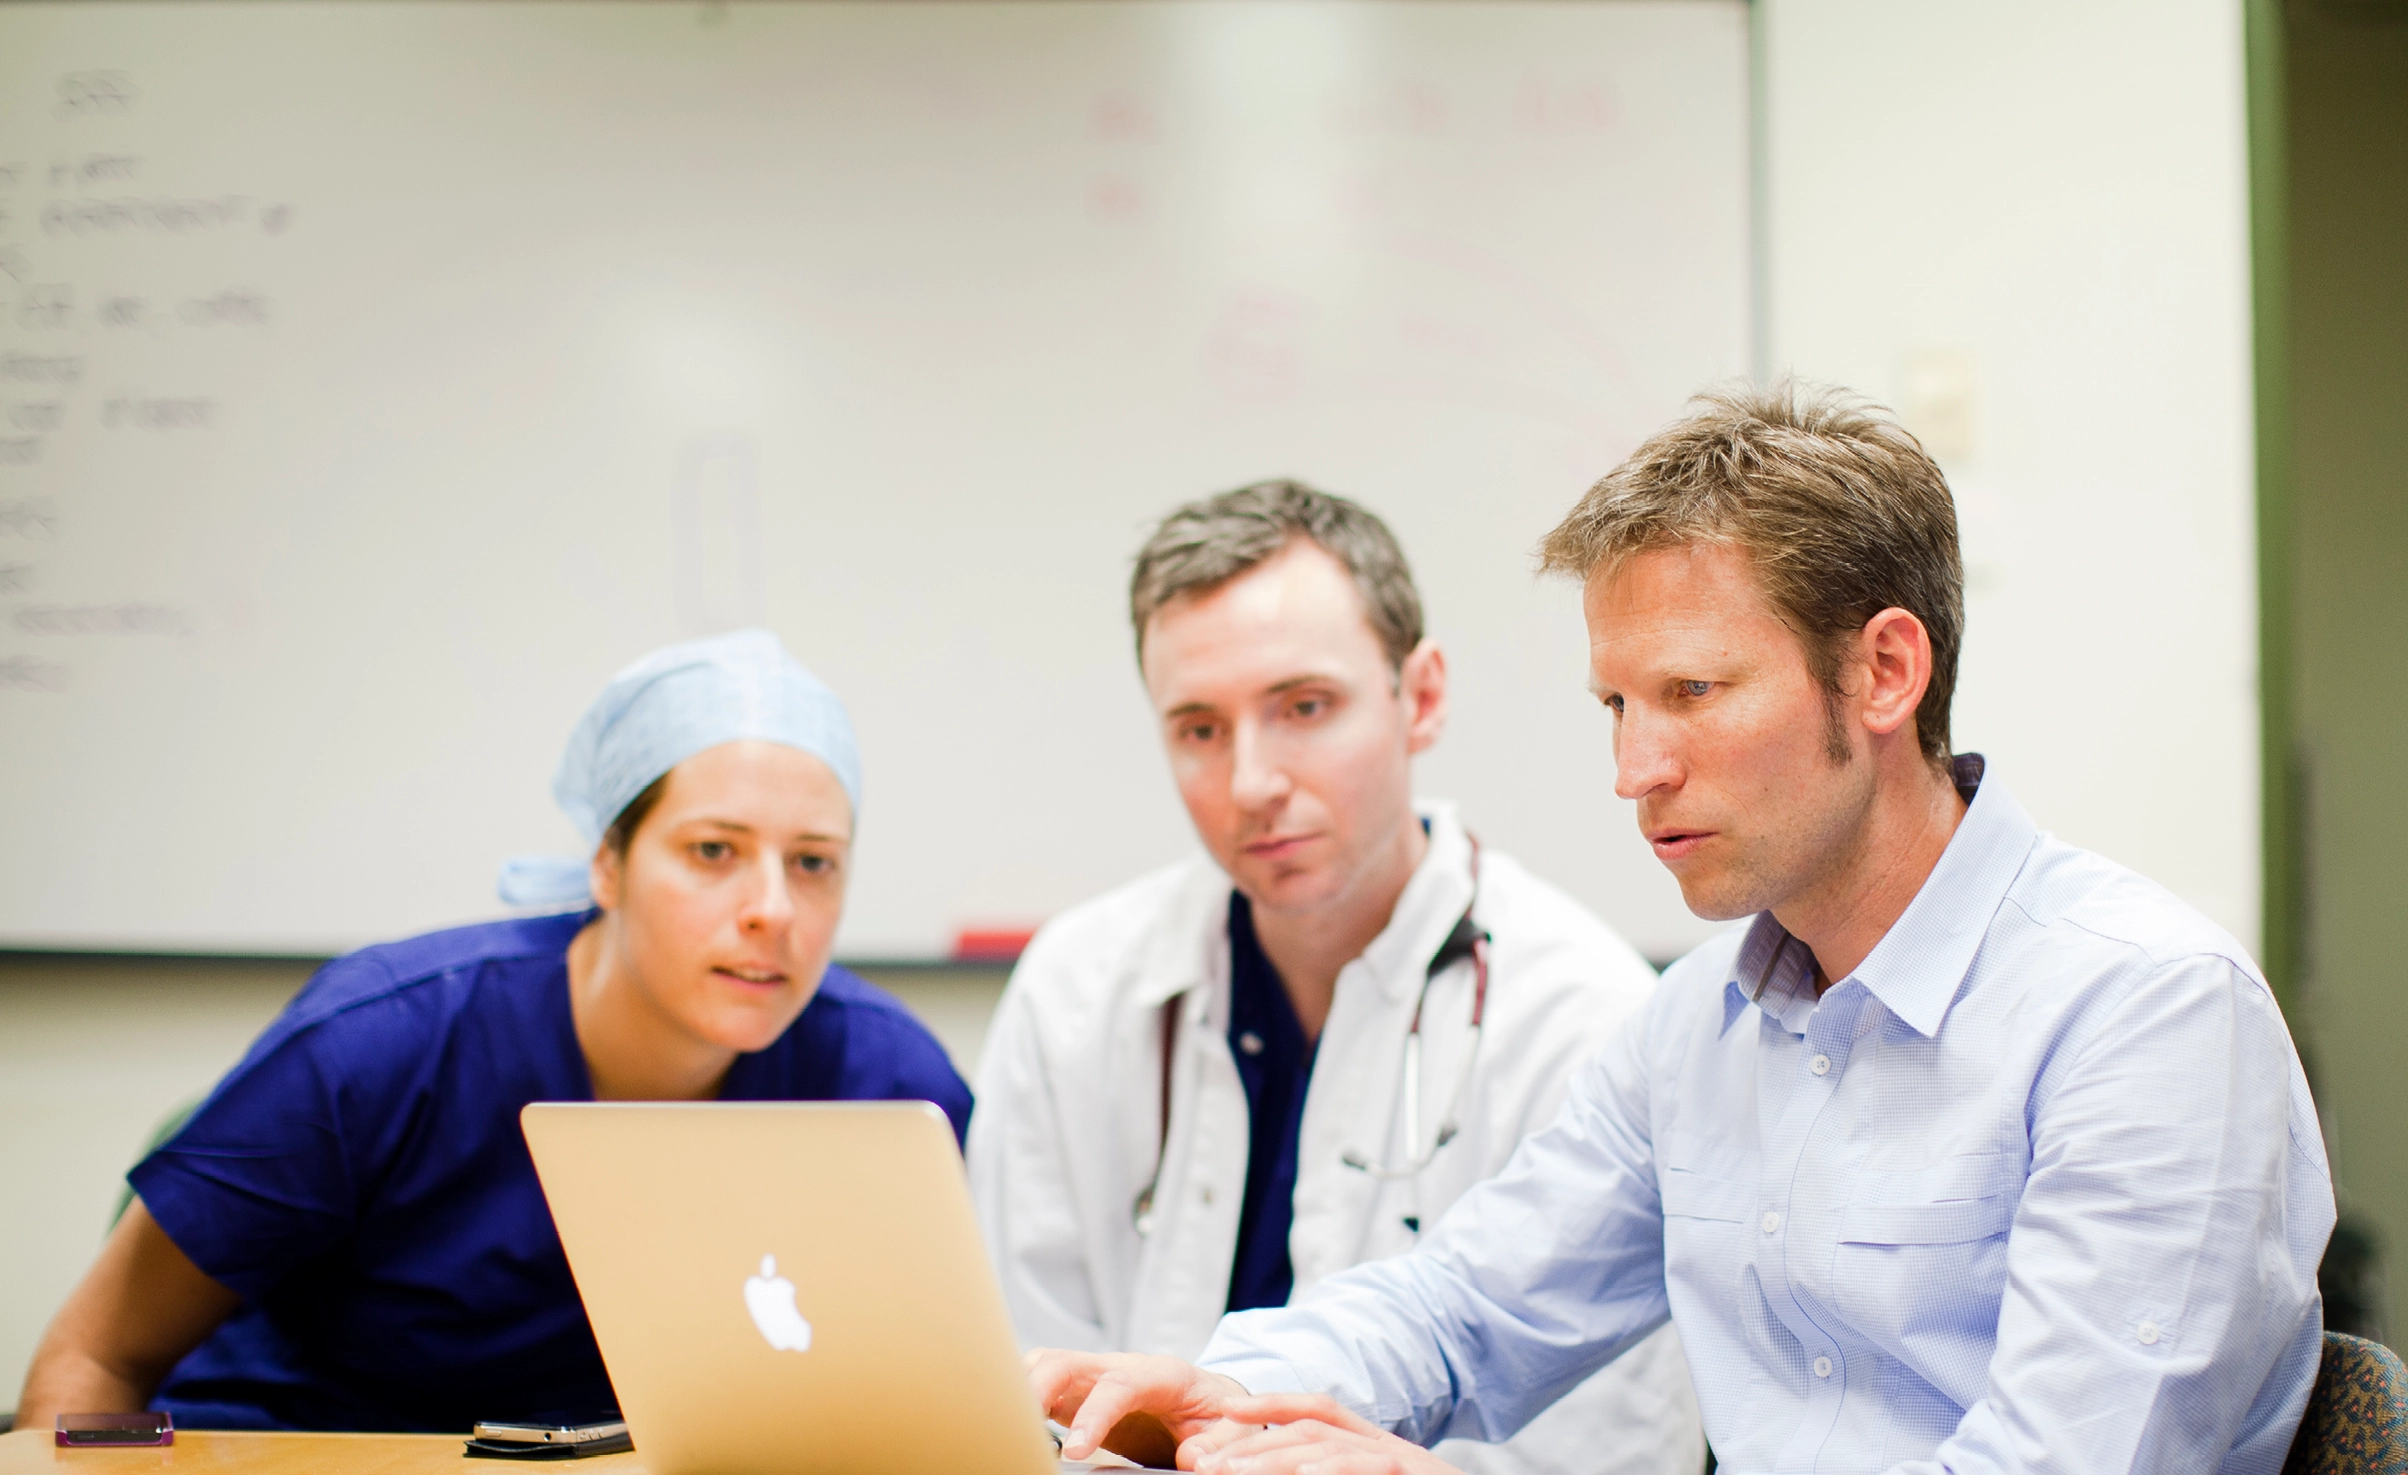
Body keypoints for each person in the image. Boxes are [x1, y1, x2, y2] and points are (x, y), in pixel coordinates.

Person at [1029, 385, 2336, 1475]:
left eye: (1691, 692)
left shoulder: (2149, 1012)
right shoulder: (1700, 1024)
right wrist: (1206, 1390)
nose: (1633, 766)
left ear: (1884, 670)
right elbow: (1461, 1308)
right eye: (1614, 702)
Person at [15, 629, 971, 1433]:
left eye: (814, 863)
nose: (773, 909)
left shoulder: (888, 1089)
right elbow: (96, 1355)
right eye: (713, 850)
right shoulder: (382, 1042)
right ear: (607, 861)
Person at [969, 482, 1703, 1475]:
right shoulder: (1074, 991)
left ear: (1422, 695)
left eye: (1303, 707)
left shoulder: (1580, 1017)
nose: (1251, 782)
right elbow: (1025, 1399)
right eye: (1197, 728)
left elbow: (1604, 1448)